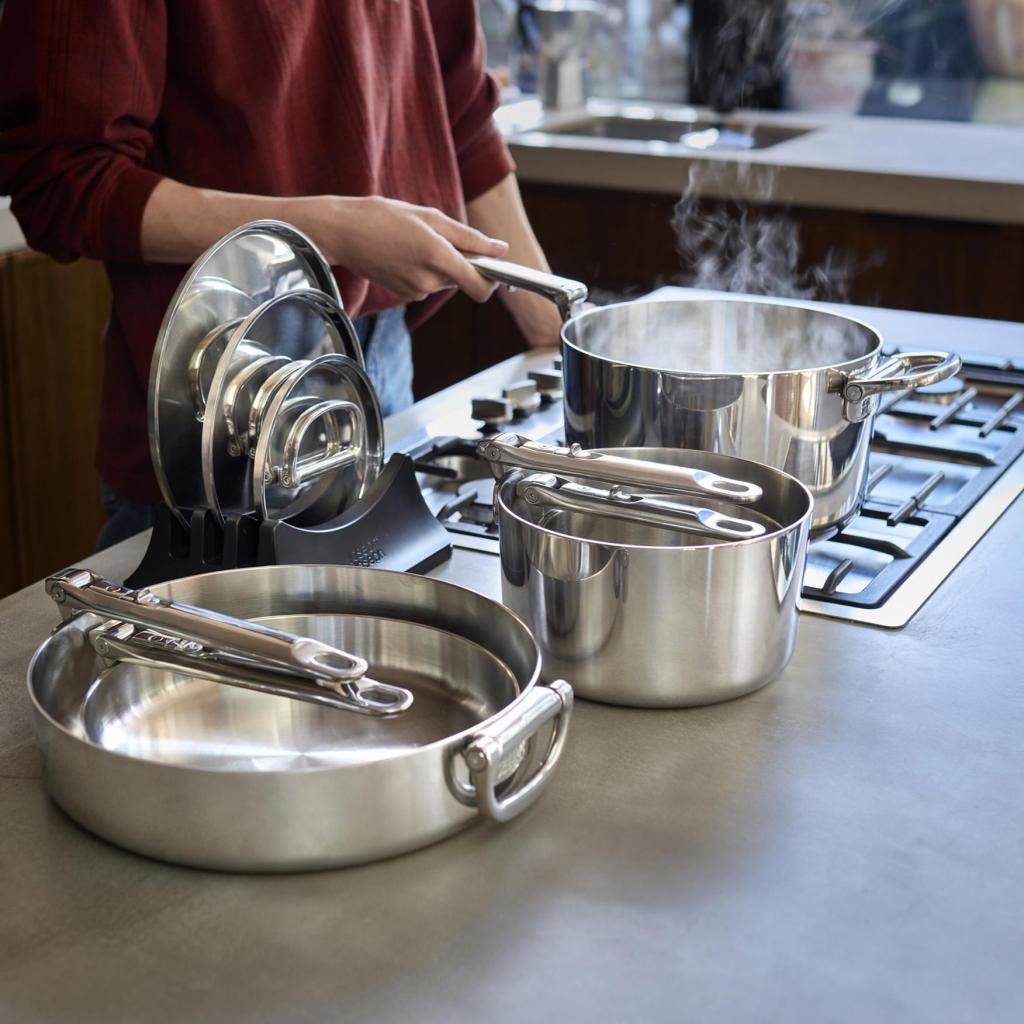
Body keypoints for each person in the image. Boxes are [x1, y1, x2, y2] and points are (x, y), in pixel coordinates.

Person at [0, 1, 562, 547]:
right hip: (216, 399)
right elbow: (64, 179)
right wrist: (332, 231)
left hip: (379, 363)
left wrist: (556, 321)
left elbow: (460, 111)